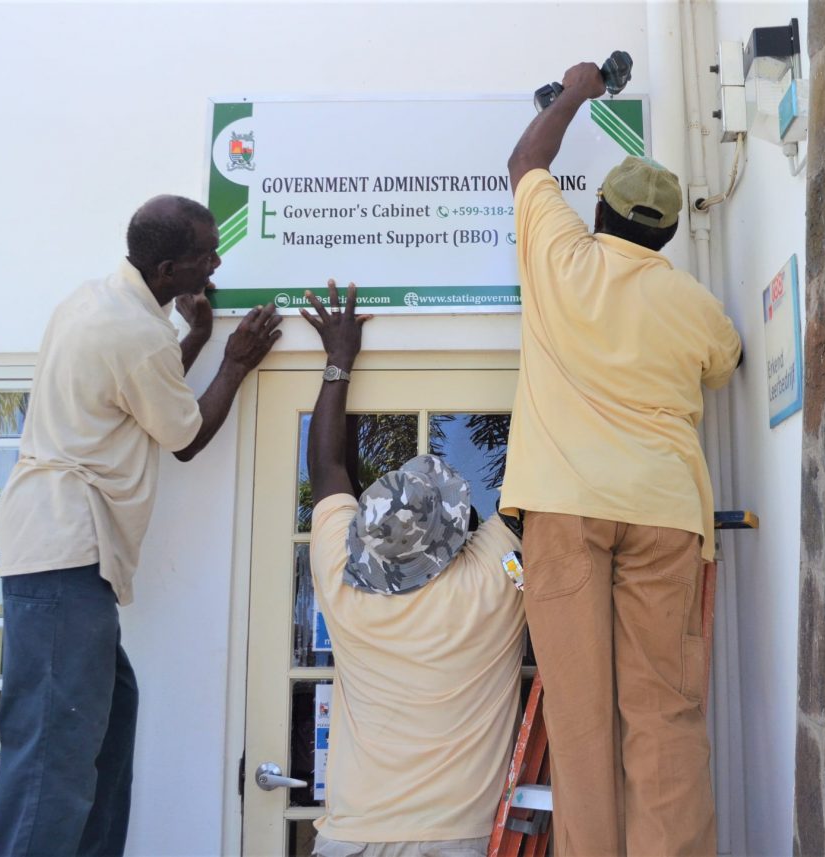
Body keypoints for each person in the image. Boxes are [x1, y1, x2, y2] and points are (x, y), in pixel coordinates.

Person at [0, 195, 283, 856]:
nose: (218, 261)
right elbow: (184, 436)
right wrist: (235, 360)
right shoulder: (135, 331)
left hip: (62, 556)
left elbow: (140, 394)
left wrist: (198, 338)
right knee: (52, 760)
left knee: (108, 728)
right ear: (170, 266)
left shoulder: (96, 302)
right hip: (65, 551)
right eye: (207, 254)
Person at [499, 63, 743, 857]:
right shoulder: (693, 302)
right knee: (663, 713)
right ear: (668, 234)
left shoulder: (563, 258)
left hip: (565, 508)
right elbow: (723, 363)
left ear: (598, 212)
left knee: (580, 723)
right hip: (666, 511)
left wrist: (575, 93)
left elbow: (525, 164)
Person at [299, 280, 525, 857]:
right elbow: (534, 486)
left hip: (351, 838)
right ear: (457, 538)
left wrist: (337, 359)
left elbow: (326, 466)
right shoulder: (489, 584)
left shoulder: (344, 575)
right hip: (459, 840)